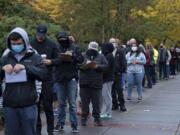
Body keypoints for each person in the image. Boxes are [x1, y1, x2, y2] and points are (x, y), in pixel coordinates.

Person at [0, 27, 47, 135]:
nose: (16, 46)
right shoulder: (5, 58)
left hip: (28, 104)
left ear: (25, 42)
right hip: (10, 105)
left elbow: (43, 74)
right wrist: (2, 70)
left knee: (29, 132)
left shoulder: (35, 57)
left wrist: (26, 67)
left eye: (19, 43)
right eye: (13, 44)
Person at [31, 24, 59, 135]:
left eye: (42, 35)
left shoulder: (52, 44)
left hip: (47, 78)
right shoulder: (30, 44)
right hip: (34, 78)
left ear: (45, 34)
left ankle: (50, 130)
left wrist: (51, 61)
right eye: (38, 34)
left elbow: (59, 59)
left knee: (48, 106)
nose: (40, 37)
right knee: (36, 106)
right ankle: (37, 131)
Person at [54, 32, 84, 133]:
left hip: (71, 78)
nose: (62, 41)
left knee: (72, 104)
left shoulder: (74, 47)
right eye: (60, 40)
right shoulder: (56, 47)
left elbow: (81, 59)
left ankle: (74, 125)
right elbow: (53, 61)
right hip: (60, 78)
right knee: (61, 103)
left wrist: (72, 55)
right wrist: (60, 58)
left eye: (64, 39)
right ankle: (60, 124)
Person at [80, 41, 108, 126]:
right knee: (84, 102)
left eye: (94, 49)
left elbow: (106, 66)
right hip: (84, 83)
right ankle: (84, 117)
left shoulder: (101, 56)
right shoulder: (83, 55)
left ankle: (97, 118)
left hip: (96, 83)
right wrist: (84, 66)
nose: (92, 51)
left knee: (96, 102)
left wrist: (97, 67)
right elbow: (77, 65)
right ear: (88, 48)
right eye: (91, 49)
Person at [110, 38, 127, 111]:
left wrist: (121, 70)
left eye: (114, 42)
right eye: (111, 42)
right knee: (112, 90)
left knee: (119, 90)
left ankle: (122, 104)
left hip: (118, 73)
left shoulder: (120, 51)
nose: (112, 44)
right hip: (110, 74)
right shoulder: (108, 52)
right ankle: (115, 104)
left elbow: (124, 62)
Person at [100, 43, 115, 119]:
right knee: (106, 96)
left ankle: (107, 112)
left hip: (107, 79)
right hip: (107, 79)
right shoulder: (109, 55)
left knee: (107, 96)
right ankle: (106, 112)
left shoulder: (109, 56)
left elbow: (107, 68)